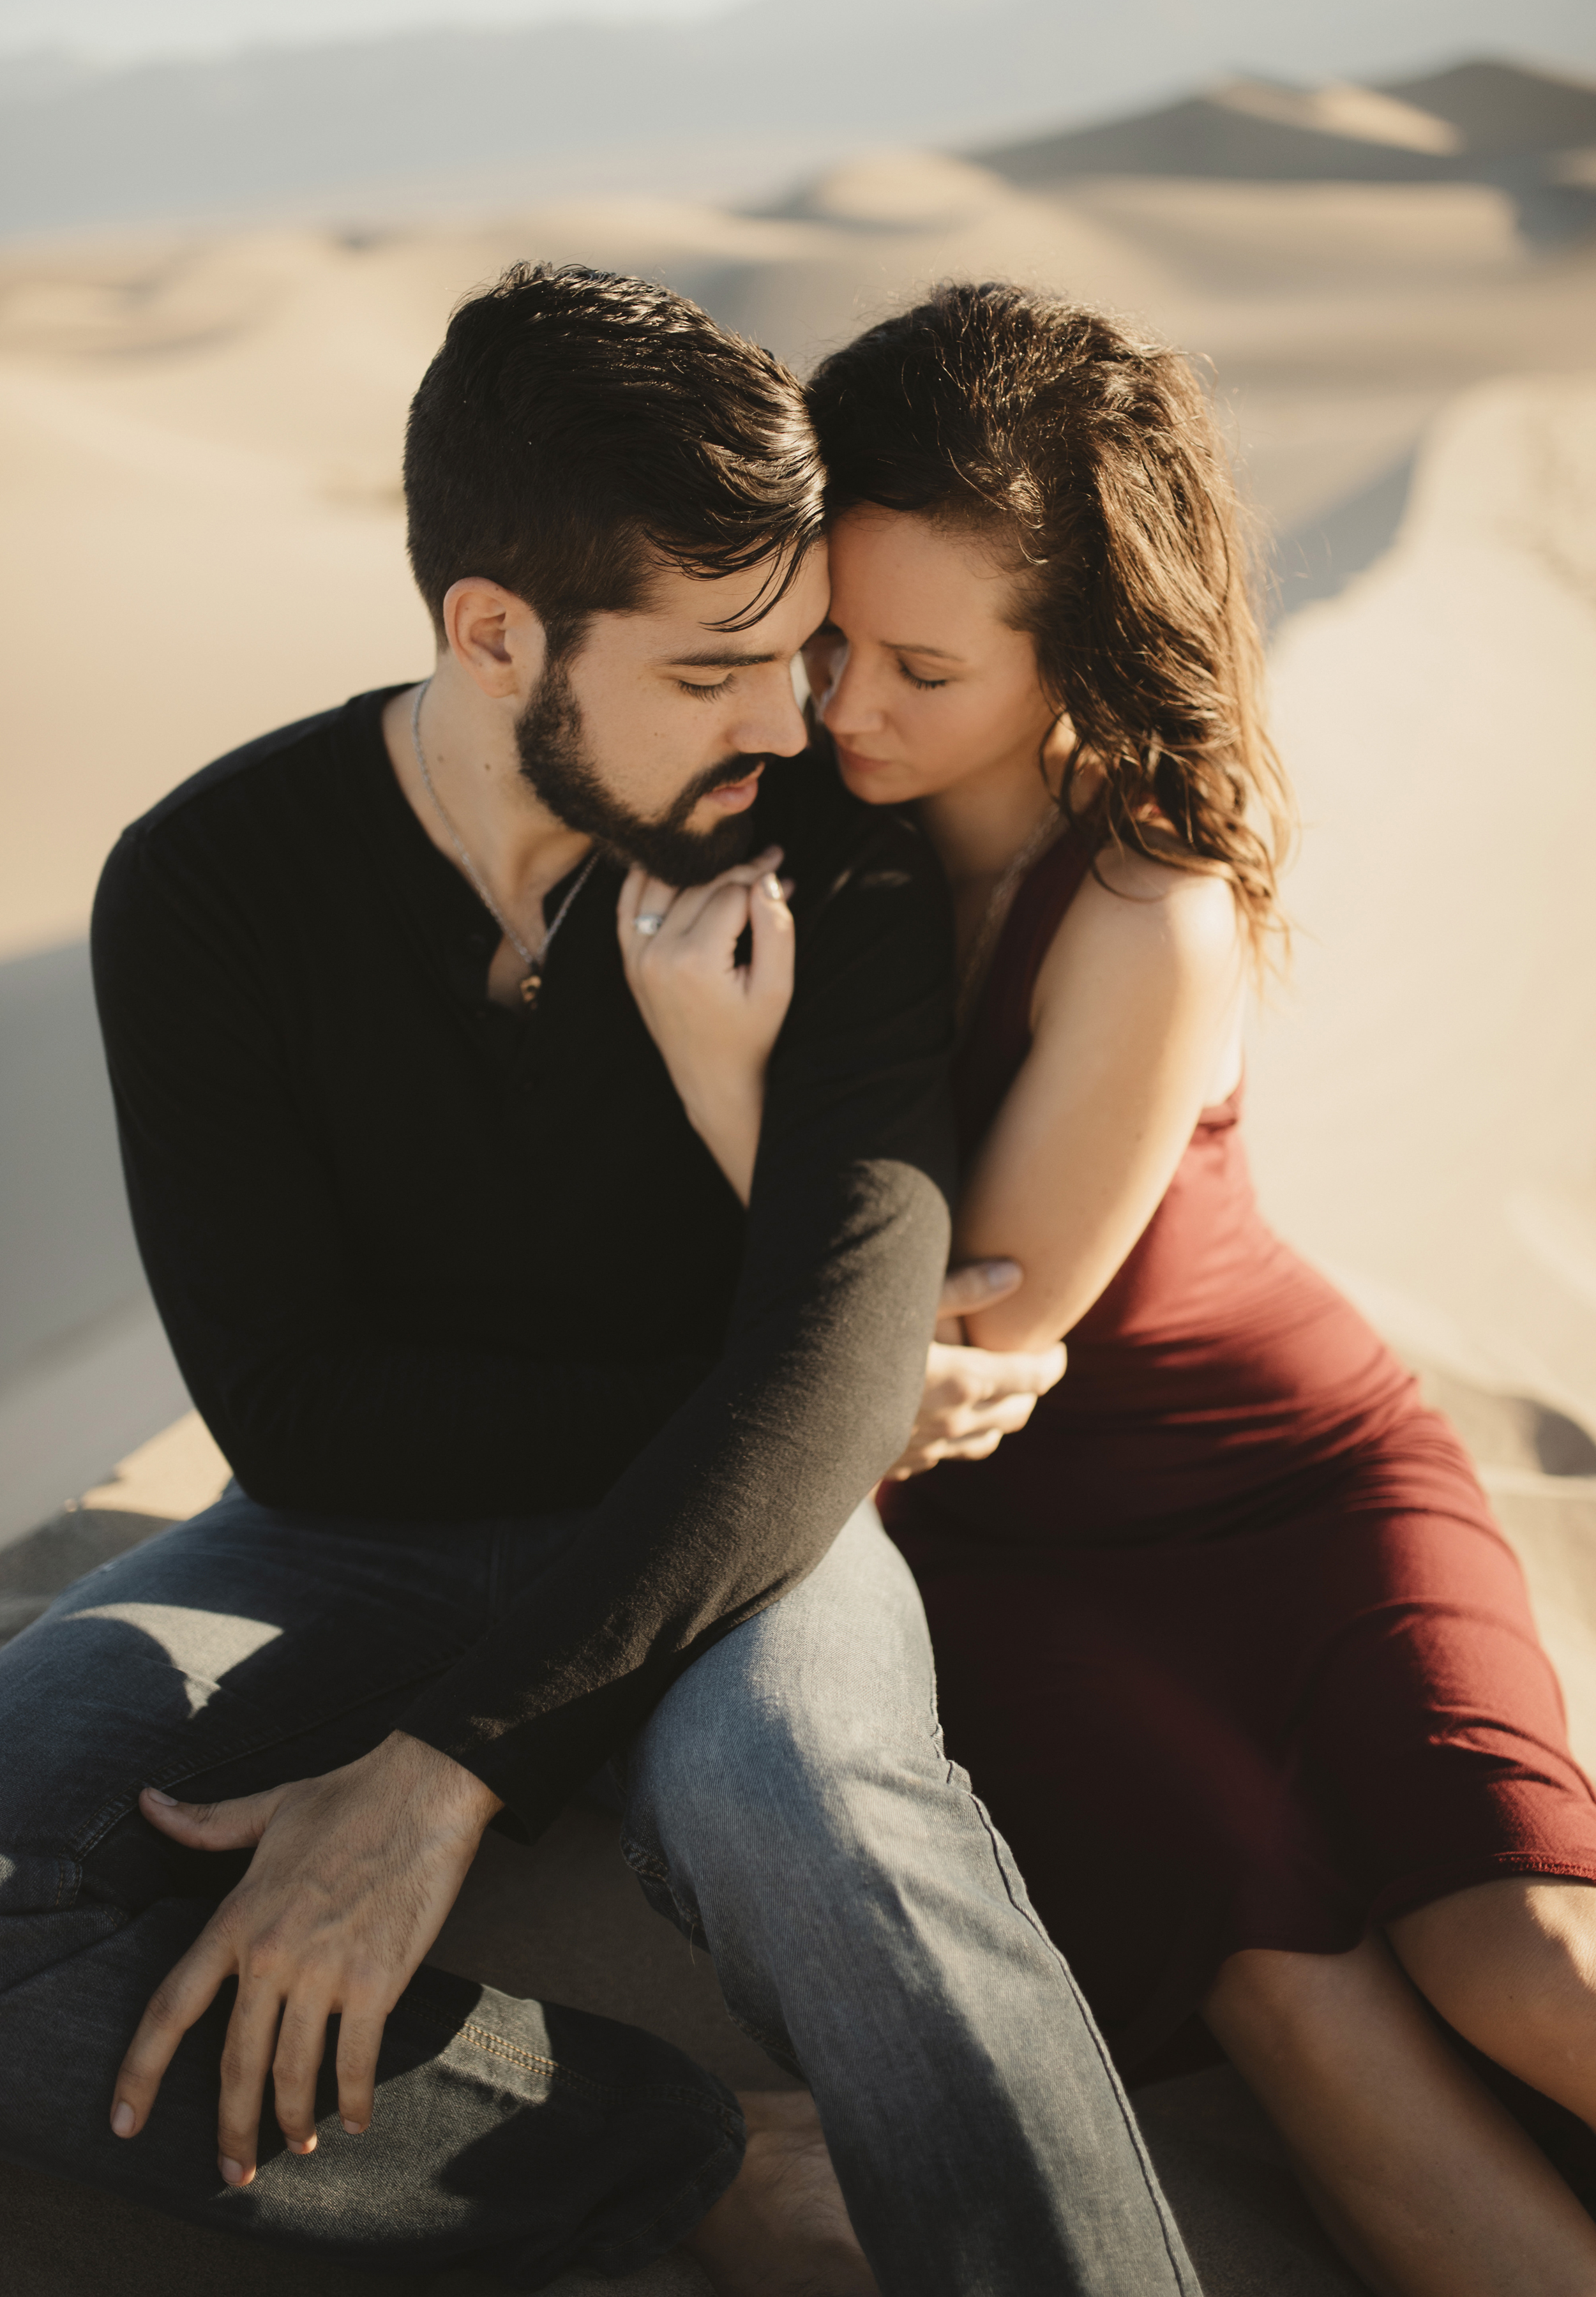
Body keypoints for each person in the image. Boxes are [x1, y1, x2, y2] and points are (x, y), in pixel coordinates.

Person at [0, 263, 1200, 2297]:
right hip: (346, 1537)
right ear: (492, 636)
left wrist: (451, 1765)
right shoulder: (208, 888)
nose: (795, 717)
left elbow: (849, 1342)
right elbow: (298, 1411)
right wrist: (760, 1378)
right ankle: (677, 2154)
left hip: (747, 1534)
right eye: (717, 664)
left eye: (804, 647)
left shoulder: (828, 842)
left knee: (821, 1794)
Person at [629, 280, 1596, 2297]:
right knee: (1292, 1998)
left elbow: (970, 1328)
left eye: (920, 664)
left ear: (1072, 649)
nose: (849, 707)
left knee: (1516, 1956)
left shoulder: (1149, 903)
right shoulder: (794, 828)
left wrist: (729, 1096)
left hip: (1300, 1494)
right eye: (822, 643)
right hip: (1021, 1582)